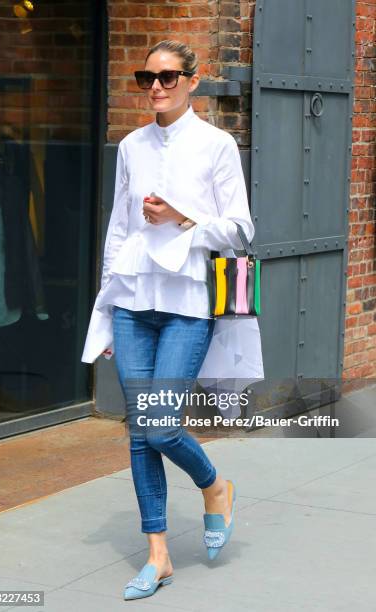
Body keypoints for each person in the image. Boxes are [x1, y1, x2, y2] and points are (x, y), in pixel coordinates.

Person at [81, 39, 261, 601]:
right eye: (146, 78)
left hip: (187, 303)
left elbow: (240, 230)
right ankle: (158, 555)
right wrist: (106, 309)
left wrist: (182, 217)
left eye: (166, 77)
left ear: (193, 79)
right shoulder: (131, 146)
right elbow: (117, 228)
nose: (155, 87)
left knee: (159, 425)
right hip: (134, 300)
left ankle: (214, 487)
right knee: (140, 433)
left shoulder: (217, 145)